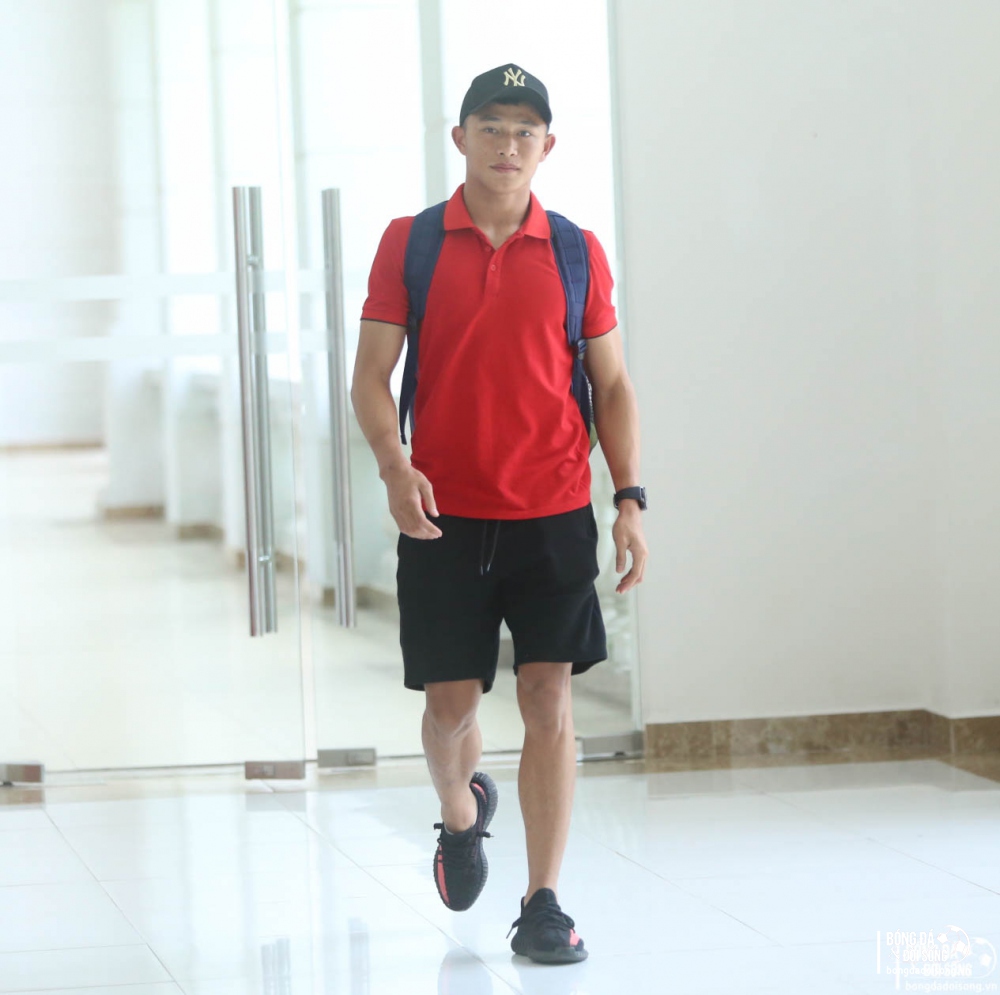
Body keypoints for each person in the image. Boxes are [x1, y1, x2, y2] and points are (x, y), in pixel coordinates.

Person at [351, 63, 647, 965]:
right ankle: (459, 810)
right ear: (461, 138)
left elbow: (611, 385)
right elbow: (371, 377)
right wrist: (395, 467)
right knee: (450, 707)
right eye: (492, 126)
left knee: (548, 695)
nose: (508, 144)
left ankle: (543, 900)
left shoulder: (575, 250)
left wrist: (628, 498)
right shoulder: (411, 243)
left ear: (547, 146)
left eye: (525, 130)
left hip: (552, 510)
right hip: (442, 516)